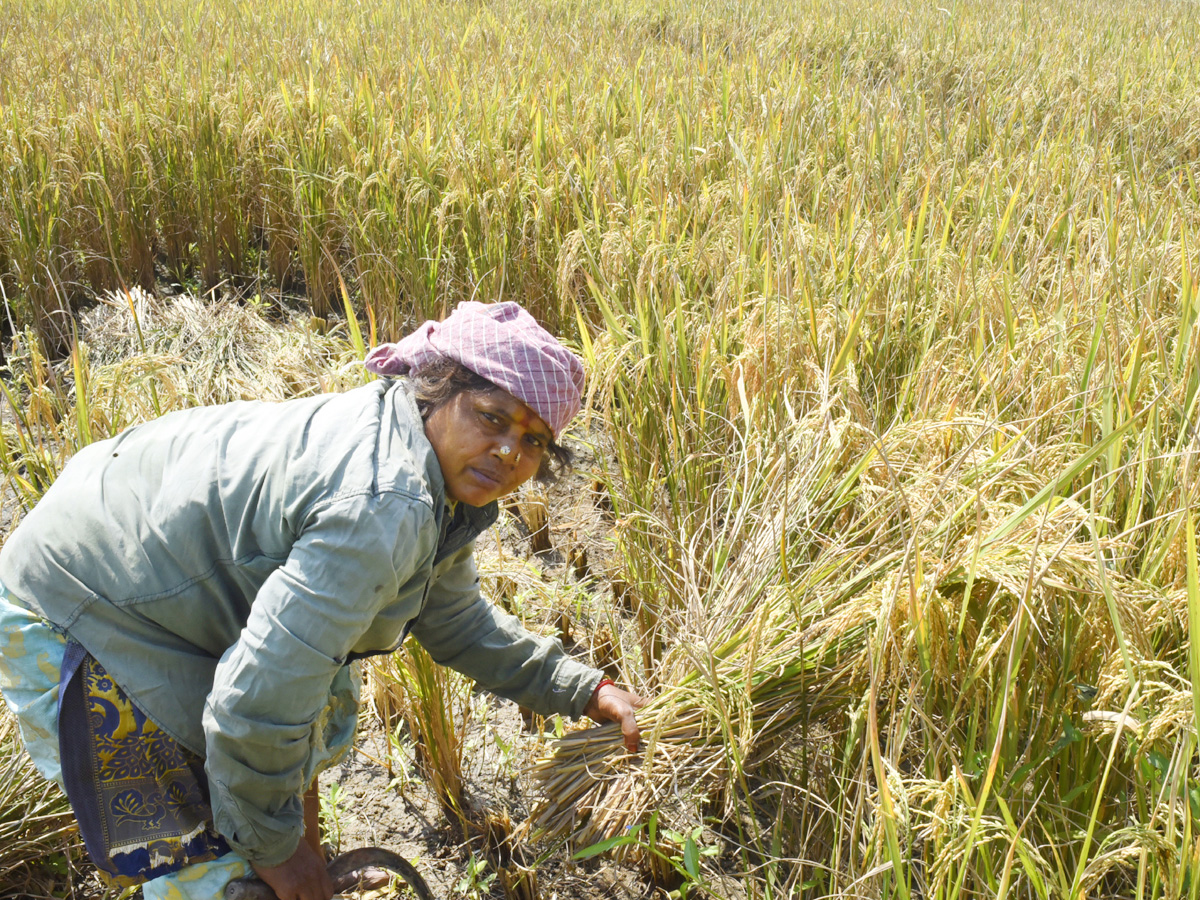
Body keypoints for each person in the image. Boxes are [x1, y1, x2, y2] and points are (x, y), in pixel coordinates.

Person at [0, 300, 643, 900]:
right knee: (207, 870)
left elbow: (453, 621)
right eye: (492, 417)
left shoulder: (425, 467)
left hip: (151, 571)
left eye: (532, 441)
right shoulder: (382, 504)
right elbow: (259, 705)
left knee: (306, 721)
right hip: (77, 600)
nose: (508, 451)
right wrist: (283, 858)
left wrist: (583, 688)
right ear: (438, 391)